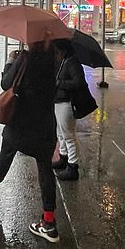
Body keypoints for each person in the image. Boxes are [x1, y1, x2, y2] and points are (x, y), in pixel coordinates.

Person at [0, 41, 60, 243]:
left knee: (7, 149)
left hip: (22, 121)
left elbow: (6, 84)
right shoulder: (55, 60)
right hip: (45, 123)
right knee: (45, 169)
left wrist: (10, 61)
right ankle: (48, 222)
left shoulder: (24, 58)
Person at [51, 38, 86, 181]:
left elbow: (79, 82)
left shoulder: (72, 63)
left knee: (68, 135)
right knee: (61, 133)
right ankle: (63, 157)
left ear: (64, 51)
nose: (56, 55)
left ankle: (73, 166)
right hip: (59, 101)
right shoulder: (64, 62)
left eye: (57, 52)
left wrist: (60, 83)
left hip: (67, 103)